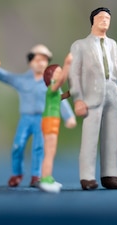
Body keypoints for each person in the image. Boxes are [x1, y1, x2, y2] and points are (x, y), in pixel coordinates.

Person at [0, 44, 77, 187]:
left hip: (42, 119)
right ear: (30, 61)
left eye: (44, 60)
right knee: (18, 145)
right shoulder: (22, 80)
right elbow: (6, 77)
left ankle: (37, 175)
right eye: (37, 59)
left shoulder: (50, 82)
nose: (40, 63)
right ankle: (17, 173)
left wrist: (69, 116)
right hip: (26, 119)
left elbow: (60, 100)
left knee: (39, 147)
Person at [69, 7, 117, 190]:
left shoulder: (113, 44)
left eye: (108, 18)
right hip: (91, 95)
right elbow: (74, 73)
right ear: (93, 21)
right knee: (90, 137)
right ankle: (87, 176)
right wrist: (78, 98)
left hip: (111, 91)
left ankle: (111, 174)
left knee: (112, 135)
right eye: (101, 17)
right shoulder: (80, 45)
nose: (105, 21)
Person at [39, 53, 73, 193]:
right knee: (49, 152)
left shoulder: (54, 91)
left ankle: (48, 177)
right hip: (50, 121)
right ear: (51, 76)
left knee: (51, 152)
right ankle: (45, 179)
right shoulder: (52, 87)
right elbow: (60, 82)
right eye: (58, 73)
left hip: (53, 121)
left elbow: (61, 97)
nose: (61, 75)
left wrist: (70, 92)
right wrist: (67, 64)